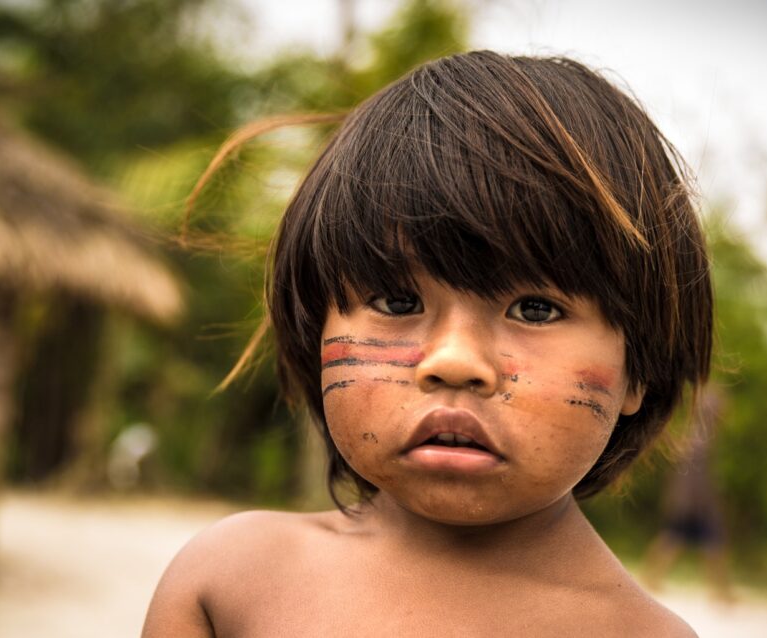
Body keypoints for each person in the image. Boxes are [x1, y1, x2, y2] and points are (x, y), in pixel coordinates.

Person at [142, 51, 713, 637]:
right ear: (317, 334)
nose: (455, 362)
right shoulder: (232, 580)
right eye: (397, 302)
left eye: (535, 309)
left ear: (637, 370)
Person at [642, 386, 734, 603]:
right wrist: (702, 504)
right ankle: (720, 592)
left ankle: (651, 578)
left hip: (689, 501)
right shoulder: (701, 439)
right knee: (710, 541)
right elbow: (693, 480)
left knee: (676, 539)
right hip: (694, 503)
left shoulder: (697, 435)